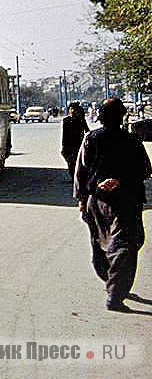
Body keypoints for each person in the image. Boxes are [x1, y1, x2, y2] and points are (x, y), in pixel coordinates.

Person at [74, 97, 152, 312]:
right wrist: (119, 180)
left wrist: (82, 199)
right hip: (125, 200)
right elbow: (145, 169)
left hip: (97, 201)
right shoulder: (132, 141)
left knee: (103, 245)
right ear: (122, 116)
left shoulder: (91, 138)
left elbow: (81, 172)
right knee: (124, 247)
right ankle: (115, 294)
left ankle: (112, 284)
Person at [61, 102, 89, 178]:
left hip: (79, 144)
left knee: (77, 161)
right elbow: (64, 134)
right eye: (71, 109)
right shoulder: (66, 121)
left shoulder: (81, 120)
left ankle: (77, 176)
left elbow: (87, 131)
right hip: (69, 144)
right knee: (71, 162)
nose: (73, 111)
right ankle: (73, 175)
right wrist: (63, 146)